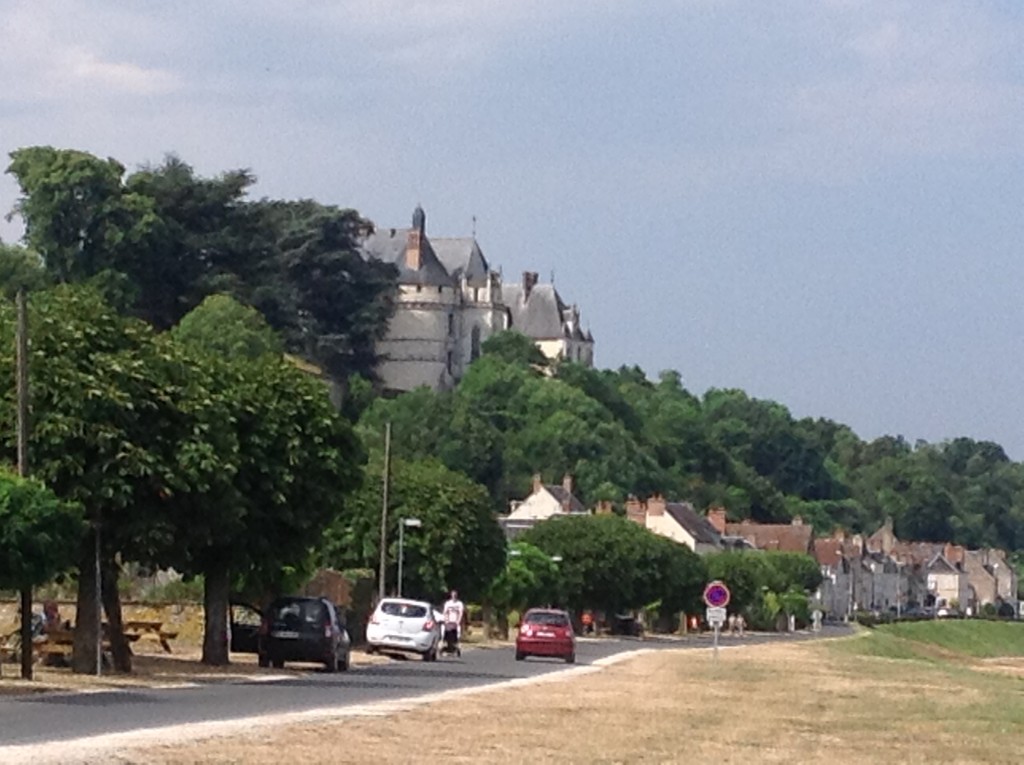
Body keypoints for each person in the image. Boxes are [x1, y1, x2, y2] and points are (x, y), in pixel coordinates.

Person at [441, 589, 465, 656]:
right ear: (451, 595)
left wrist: (458, 621)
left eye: (455, 595)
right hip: (448, 622)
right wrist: (446, 620)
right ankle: (444, 647)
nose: (454, 596)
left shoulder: (459, 603)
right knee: (445, 634)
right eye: (453, 595)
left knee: (457, 635)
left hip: (456, 622)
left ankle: (457, 647)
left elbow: (461, 613)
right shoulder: (448, 603)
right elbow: (445, 612)